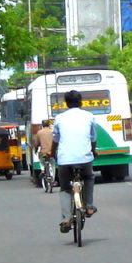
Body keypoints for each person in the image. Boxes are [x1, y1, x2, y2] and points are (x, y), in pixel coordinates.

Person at [52, 90, 98, 233]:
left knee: (65, 188)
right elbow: (93, 138)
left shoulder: (59, 118)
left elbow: (55, 139)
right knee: (89, 177)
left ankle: (66, 218)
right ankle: (89, 206)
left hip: (65, 159)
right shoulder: (89, 116)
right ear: (81, 102)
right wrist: (93, 151)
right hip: (84, 158)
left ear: (66, 103)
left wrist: (53, 152)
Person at [34, 118, 56, 185]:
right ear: (49, 124)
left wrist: (36, 150)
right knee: (52, 165)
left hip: (43, 152)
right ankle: (53, 178)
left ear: (42, 125)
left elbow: (36, 144)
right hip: (51, 153)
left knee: (41, 162)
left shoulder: (39, 132)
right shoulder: (52, 131)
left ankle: (43, 170)